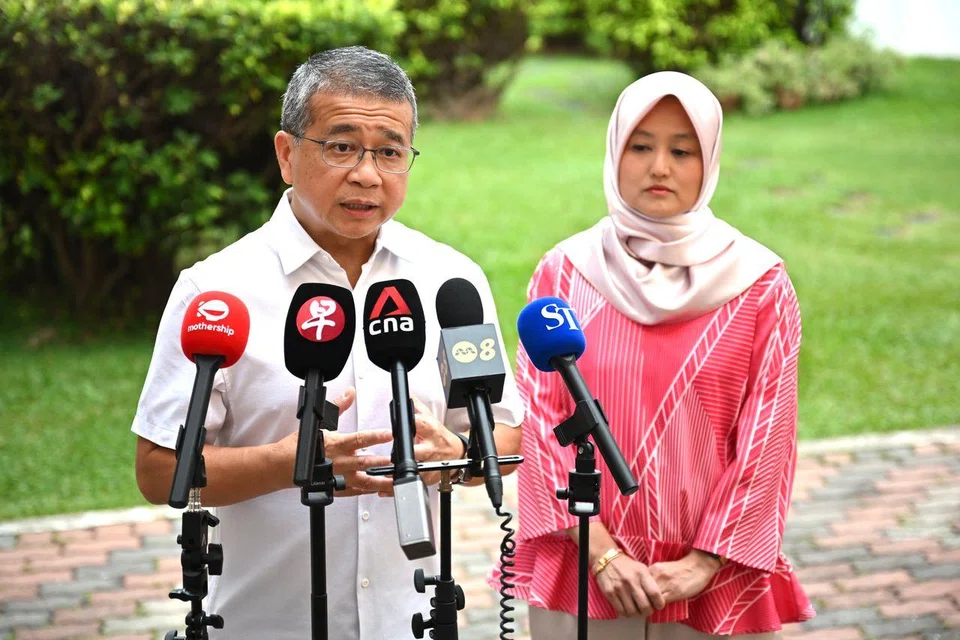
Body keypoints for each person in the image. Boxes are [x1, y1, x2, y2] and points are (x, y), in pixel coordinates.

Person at [132, 46, 524, 640]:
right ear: (287, 154)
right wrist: (289, 464)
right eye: (341, 146)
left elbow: (504, 431)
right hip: (266, 621)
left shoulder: (451, 282)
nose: (367, 173)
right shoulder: (215, 292)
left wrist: (456, 453)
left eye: (390, 152)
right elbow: (160, 470)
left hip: (411, 621)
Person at [501, 72, 816, 638]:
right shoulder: (565, 272)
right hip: (584, 567)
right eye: (640, 146)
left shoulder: (759, 285)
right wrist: (602, 554)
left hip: (713, 576)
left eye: (682, 150)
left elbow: (767, 439)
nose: (660, 167)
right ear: (615, 152)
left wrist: (702, 564)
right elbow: (541, 422)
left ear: (710, 160)